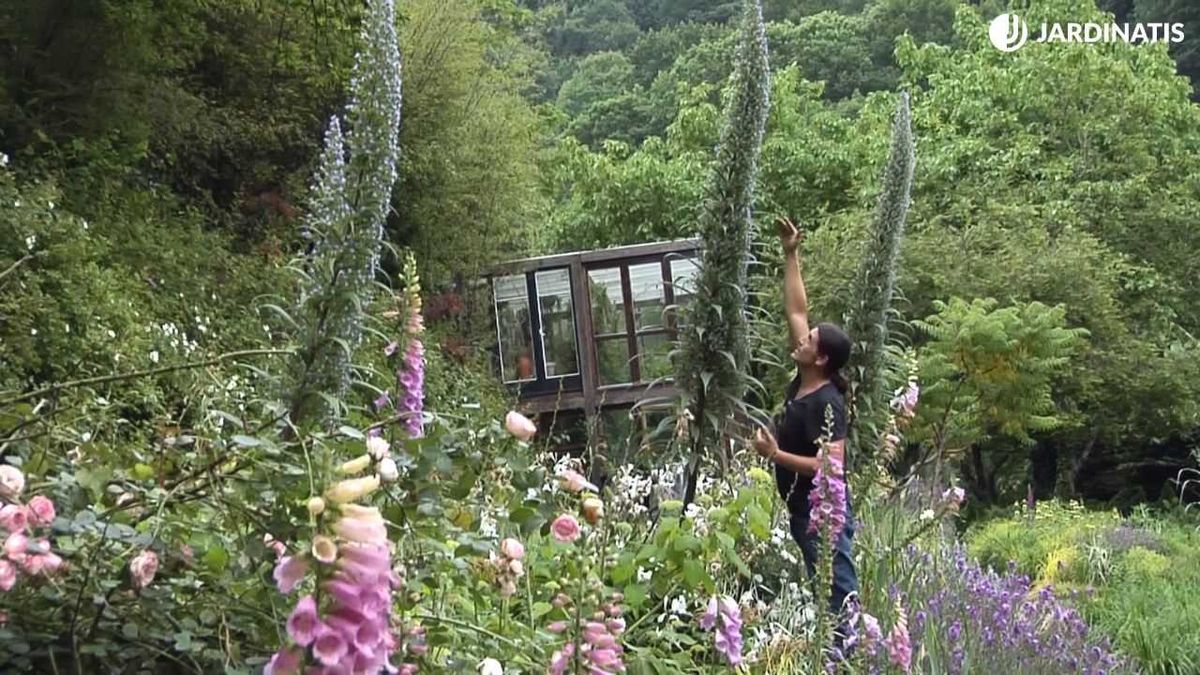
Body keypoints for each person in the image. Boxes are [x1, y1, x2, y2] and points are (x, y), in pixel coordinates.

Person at [752, 215, 859, 642]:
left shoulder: (827, 402)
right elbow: (796, 309)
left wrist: (775, 455)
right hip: (804, 514)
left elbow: (830, 467)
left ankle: (850, 660)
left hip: (824, 517)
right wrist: (791, 253)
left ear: (821, 359)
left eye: (810, 339)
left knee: (839, 598)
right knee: (827, 596)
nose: (801, 337)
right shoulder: (805, 379)